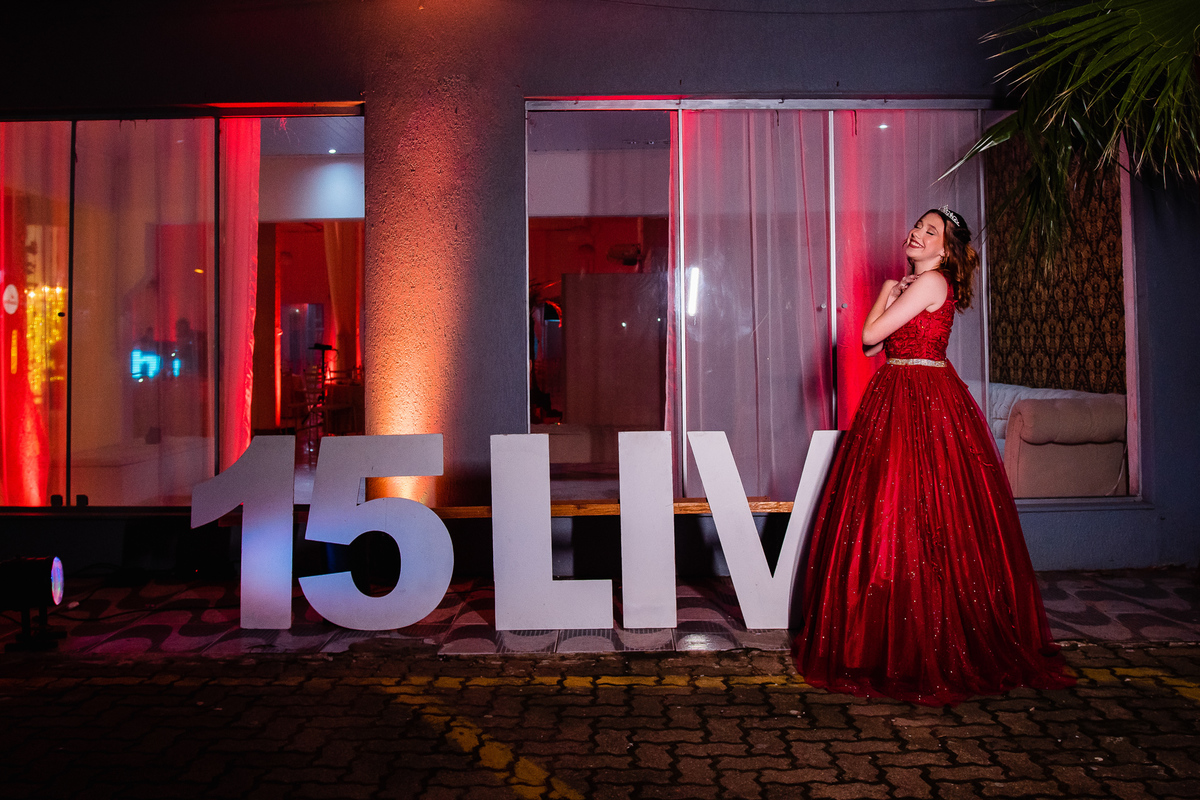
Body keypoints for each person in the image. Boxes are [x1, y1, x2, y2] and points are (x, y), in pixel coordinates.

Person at [793, 207, 1075, 706]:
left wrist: (885, 290)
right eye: (917, 226)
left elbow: (869, 337)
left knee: (917, 506)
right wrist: (891, 291)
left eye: (930, 231)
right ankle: (894, 632)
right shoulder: (915, 284)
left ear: (946, 250)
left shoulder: (928, 282)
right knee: (901, 508)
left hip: (921, 397)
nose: (916, 234)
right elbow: (871, 352)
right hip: (900, 391)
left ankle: (924, 636)